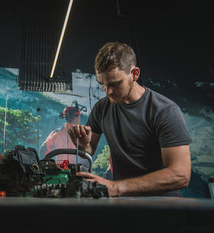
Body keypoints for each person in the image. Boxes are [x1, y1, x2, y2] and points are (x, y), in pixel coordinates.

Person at [68, 42, 192, 197]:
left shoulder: (164, 111)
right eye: (102, 85)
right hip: (124, 202)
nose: (108, 91)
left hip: (162, 206)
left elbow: (180, 175)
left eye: (115, 84)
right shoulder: (101, 108)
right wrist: (83, 146)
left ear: (135, 74)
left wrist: (117, 187)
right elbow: (89, 150)